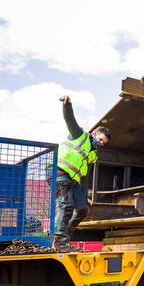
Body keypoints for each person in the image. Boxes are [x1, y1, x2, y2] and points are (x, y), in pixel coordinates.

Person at [53, 95, 110, 252]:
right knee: (67, 206)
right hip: (58, 173)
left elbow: (85, 178)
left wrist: (85, 196)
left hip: (72, 180)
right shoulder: (79, 135)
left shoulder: (93, 155)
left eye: (103, 143)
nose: (101, 143)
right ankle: (59, 242)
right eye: (100, 139)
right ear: (93, 134)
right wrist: (67, 105)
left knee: (82, 208)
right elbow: (70, 120)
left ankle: (64, 238)